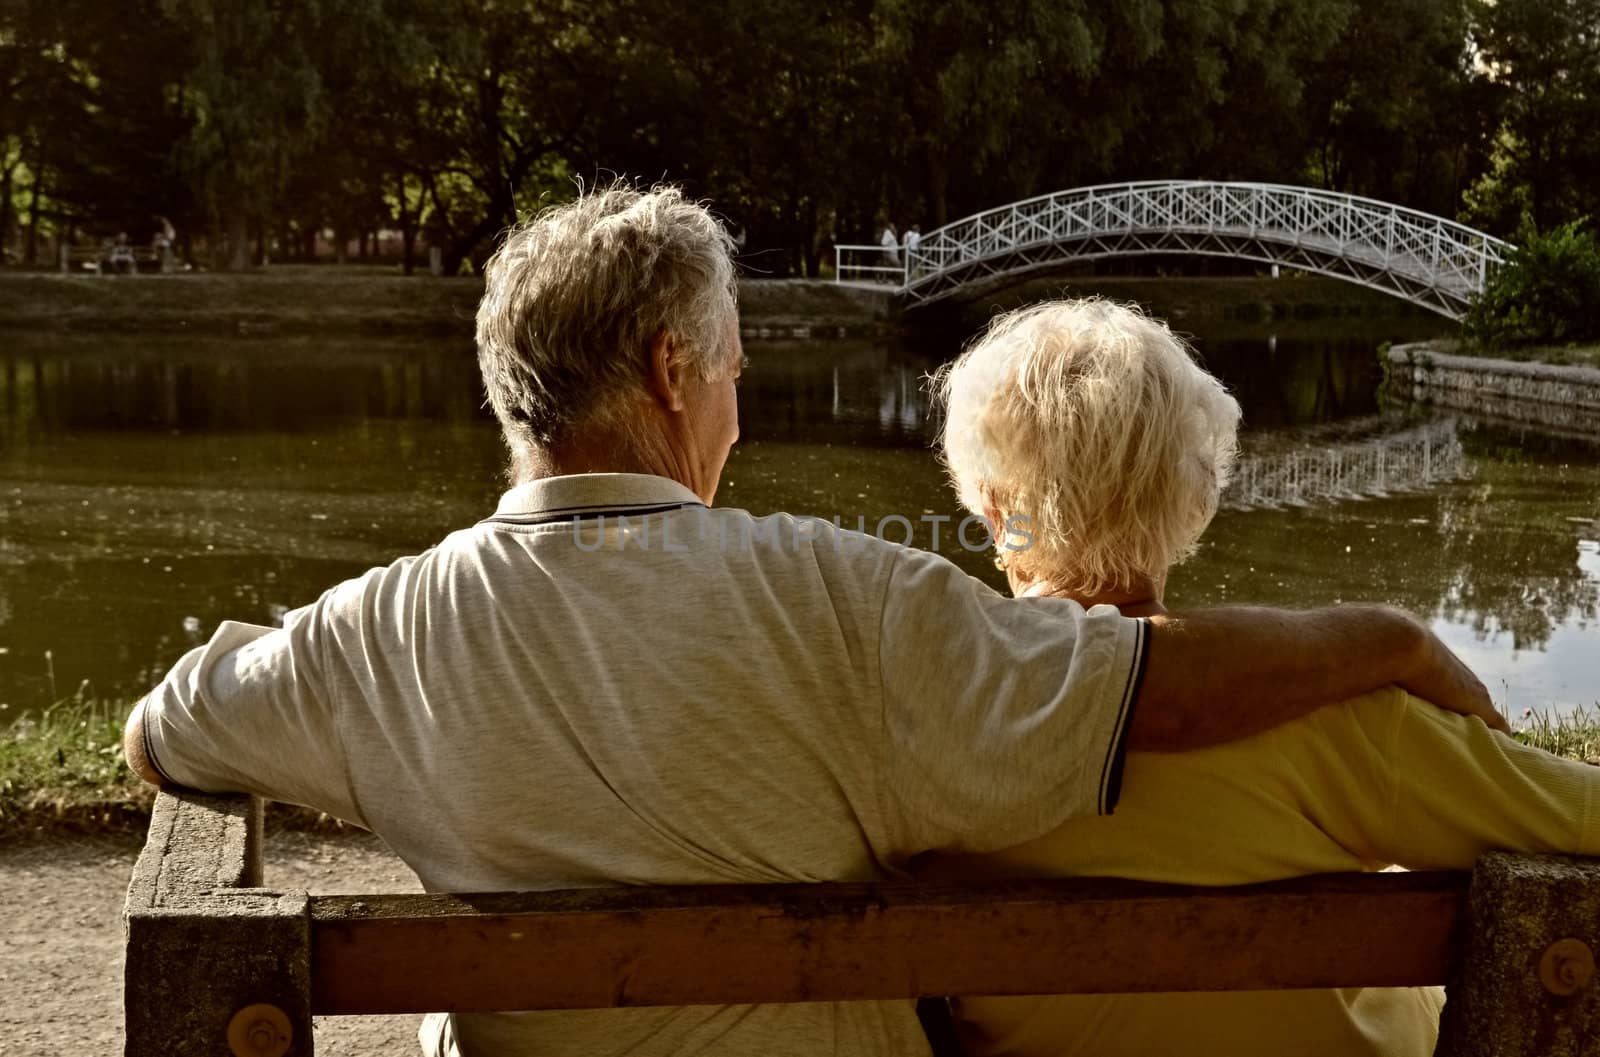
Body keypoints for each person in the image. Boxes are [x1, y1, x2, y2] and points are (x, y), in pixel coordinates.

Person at [123, 185, 1500, 1057]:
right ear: (672, 371)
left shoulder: (375, 634)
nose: (737, 401)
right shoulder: (837, 594)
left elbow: (160, 736)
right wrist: (1382, 634)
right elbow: (1137, 679)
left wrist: (289, 667)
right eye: (731, 368)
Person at [925, 297, 1597, 1057]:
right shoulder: (1346, 724)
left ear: (990, 507)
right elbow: (1585, 816)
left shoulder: (931, 737)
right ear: (1196, 497)